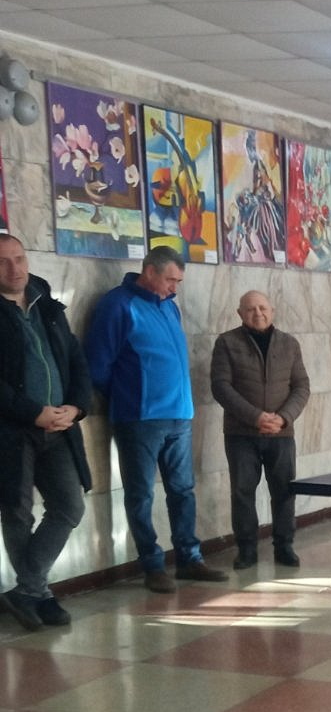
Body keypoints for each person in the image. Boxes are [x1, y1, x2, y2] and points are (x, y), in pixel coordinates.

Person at [86, 246, 227, 592]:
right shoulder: (118, 305)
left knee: (183, 491)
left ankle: (189, 559)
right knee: (141, 495)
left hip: (179, 415)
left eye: (178, 281)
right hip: (139, 419)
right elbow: (98, 366)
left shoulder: (169, 307)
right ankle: (152, 565)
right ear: (149, 271)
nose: (174, 288)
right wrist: (128, 395)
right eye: (170, 280)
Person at [0, 233, 92, 630]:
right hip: (13, 431)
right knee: (17, 512)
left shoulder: (47, 303)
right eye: (3, 261)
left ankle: (27, 590)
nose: (15, 268)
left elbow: (75, 358)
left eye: (19, 258)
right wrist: (33, 412)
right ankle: (38, 593)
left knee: (70, 506)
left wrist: (77, 406)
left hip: (59, 427)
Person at [210, 290, 310, 569]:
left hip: (281, 433)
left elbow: (301, 386)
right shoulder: (227, 343)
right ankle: (246, 550)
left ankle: (284, 546)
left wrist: (283, 418)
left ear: (272, 311)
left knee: (284, 490)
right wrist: (255, 417)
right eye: (251, 309)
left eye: (263, 308)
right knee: (242, 492)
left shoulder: (289, 344)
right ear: (240, 313)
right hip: (241, 434)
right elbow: (221, 387)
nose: (258, 313)